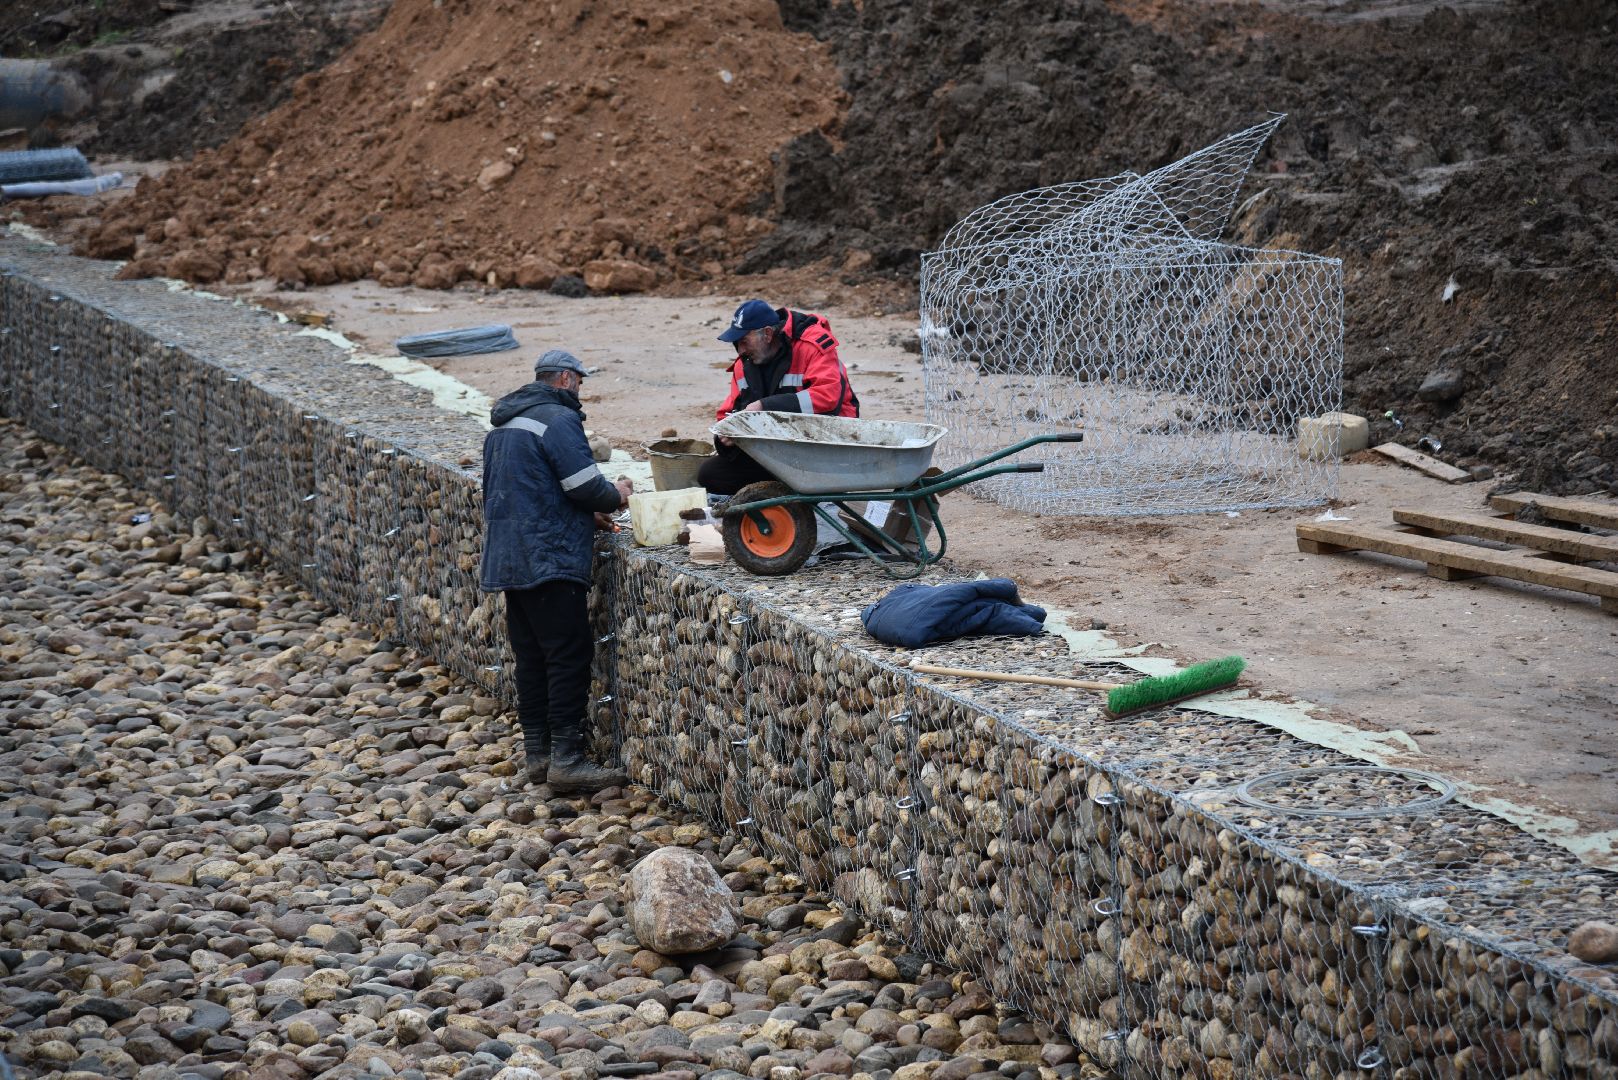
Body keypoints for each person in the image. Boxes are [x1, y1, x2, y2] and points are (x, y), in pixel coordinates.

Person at [479, 349, 631, 794]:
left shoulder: (505, 423)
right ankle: (568, 760)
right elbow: (584, 486)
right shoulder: (558, 418)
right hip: (549, 556)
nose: (580, 393)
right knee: (567, 654)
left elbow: (529, 489)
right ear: (566, 378)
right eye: (580, 384)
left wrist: (585, 516)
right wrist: (615, 495)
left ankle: (538, 755)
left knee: (532, 657)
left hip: (508, 555)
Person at [696, 299, 861, 494]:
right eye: (736, 343)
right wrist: (727, 436)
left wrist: (764, 406)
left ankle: (797, 488)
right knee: (709, 475)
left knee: (807, 478)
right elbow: (728, 412)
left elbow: (828, 397)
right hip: (777, 451)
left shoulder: (811, 345)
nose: (740, 350)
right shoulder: (744, 363)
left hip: (825, 447)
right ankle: (786, 489)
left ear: (767, 334)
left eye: (744, 341)